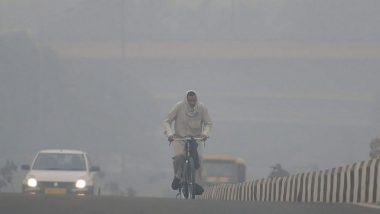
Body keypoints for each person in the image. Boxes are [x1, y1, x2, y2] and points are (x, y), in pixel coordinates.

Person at [163, 90, 212, 195]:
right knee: (180, 156)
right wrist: (170, 134)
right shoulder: (179, 107)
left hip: (196, 139)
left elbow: (208, 123)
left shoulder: (202, 108)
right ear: (186, 99)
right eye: (189, 100)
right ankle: (178, 176)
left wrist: (205, 133)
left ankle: (195, 182)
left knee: (198, 158)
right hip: (179, 138)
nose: (192, 102)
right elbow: (167, 121)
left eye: (194, 100)